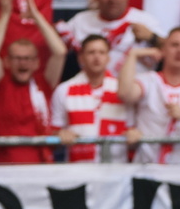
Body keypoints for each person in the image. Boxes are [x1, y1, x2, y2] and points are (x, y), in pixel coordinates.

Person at [0, 0, 66, 164]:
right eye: (17, 58)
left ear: (37, 63)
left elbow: (60, 52)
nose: (23, 63)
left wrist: (36, 15)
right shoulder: (0, 84)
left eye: (28, 59)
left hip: (40, 166)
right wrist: (5, 14)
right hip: (5, 166)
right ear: (7, 62)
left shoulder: (43, 85)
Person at [119, 28, 180, 165]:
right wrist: (133, 54)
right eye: (174, 45)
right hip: (147, 168)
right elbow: (125, 93)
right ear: (163, 50)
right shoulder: (149, 80)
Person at [58, 0, 164, 77]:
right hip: (91, 90)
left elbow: (174, 50)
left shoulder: (145, 20)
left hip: (136, 89)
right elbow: (54, 48)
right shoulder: (80, 20)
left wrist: (153, 37)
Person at [51, 35, 132, 163]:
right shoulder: (64, 90)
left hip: (116, 173)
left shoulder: (123, 91)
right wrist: (60, 135)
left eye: (101, 52)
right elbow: (53, 132)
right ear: (81, 58)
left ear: (108, 57)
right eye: (91, 52)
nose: (97, 57)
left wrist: (135, 133)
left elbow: (132, 128)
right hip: (78, 172)